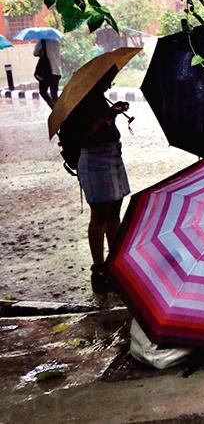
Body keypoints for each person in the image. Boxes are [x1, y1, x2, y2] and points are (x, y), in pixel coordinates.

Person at [59, 68, 131, 293]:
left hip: (112, 156)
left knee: (114, 214)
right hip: (94, 161)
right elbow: (82, 135)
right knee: (100, 215)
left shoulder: (99, 98)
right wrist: (107, 116)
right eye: (107, 79)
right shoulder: (79, 105)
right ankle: (99, 269)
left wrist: (114, 111)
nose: (109, 83)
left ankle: (115, 262)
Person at [34, 39, 62, 108]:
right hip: (57, 71)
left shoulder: (42, 41)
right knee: (54, 95)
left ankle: (54, 108)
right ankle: (59, 112)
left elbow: (35, 53)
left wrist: (41, 52)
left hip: (47, 71)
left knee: (43, 91)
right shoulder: (57, 40)